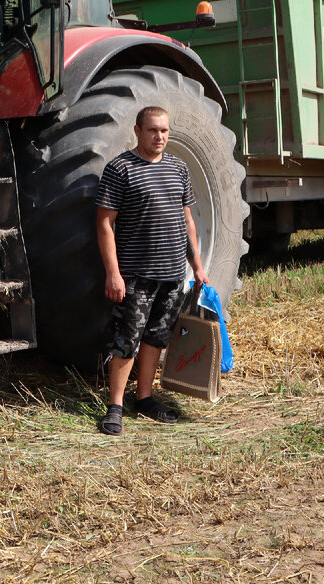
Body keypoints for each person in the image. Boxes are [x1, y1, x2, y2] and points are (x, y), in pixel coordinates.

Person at [94, 105, 209, 435]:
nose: (160, 136)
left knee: (156, 338)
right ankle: (114, 406)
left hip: (173, 275)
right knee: (126, 341)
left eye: (165, 131)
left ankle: (144, 398)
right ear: (138, 131)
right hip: (136, 276)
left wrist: (197, 266)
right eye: (153, 130)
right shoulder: (121, 169)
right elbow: (104, 223)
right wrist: (113, 273)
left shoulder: (178, 168)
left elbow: (186, 220)